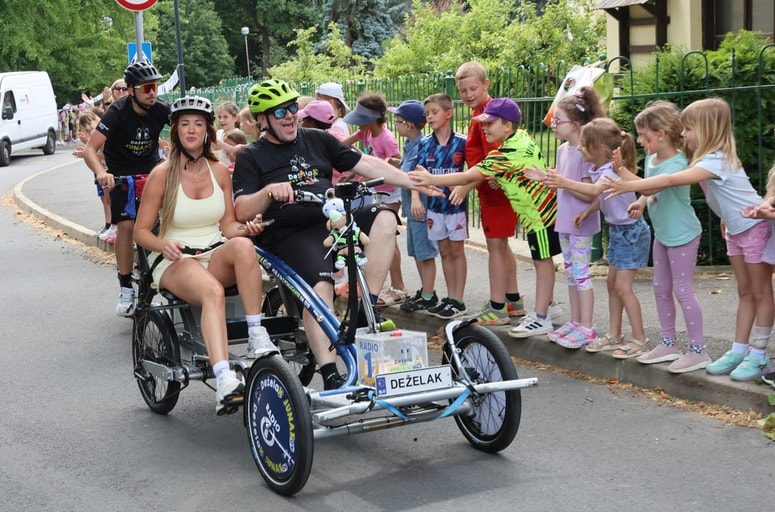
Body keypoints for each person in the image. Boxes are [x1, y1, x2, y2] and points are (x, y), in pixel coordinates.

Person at [232, 79, 440, 390]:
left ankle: (364, 307)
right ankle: (330, 373)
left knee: (385, 215)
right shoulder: (251, 156)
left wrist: (412, 182)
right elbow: (241, 209)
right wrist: (268, 192)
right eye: (280, 112)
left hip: (331, 218)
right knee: (321, 292)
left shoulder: (317, 139)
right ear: (262, 119)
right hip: (290, 233)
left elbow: (366, 162)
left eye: (292, 108)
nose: (290, 116)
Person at [607, 97, 773, 381]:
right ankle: (739, 350)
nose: (683, 134)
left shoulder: (717, 159)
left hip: (754, 227)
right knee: (745, 292)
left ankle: (758, 354)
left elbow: (670, 181)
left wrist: (626, 184)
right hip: (736, 230)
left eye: (689, 129)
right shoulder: (705, 159)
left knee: (761, 293)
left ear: (707, 130)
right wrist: (725, 217)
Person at [134, 95, 276, 415]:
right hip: (176, 259)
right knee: (213, 291)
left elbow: (228, 227)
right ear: (176, 131)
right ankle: (224, 378)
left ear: (208, 131)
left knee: (244, 246)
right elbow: (141, 232)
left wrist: (247, 228)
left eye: (198, 124)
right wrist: (162, 245)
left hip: (213, 252)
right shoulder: (162, 174)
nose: (191, 129)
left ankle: (256, 334)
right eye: (185, 124)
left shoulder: (220, 171)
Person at [410, 98, 561, 337]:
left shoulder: (505, 153)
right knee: (542, 261)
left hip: (538, 217)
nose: (484, 127)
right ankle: (546, 308)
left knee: (542, 263)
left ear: (507, 126)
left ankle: (542, 316)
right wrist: (501, 177)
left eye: (490, 123)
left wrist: (431, 179)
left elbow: (467, 176)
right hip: (542, 214)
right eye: (483, 123)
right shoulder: (520, 137)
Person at [538, 118, 651, 356]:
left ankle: (640, 339)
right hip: (618, 232)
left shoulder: (609, 171)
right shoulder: (600, 169)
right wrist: (588, 211)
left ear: (598, 148)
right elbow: (601, 198)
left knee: (623, 288)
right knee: (612, 285)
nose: (579, 148)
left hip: (630, 233)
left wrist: (563, 182)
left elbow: (594, 190)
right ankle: (615, 334)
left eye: (584, 145)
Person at [615, 101, 710, 373]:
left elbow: (654, 185)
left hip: (683, 235)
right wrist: (641, 202)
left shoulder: (678, 164)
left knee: (683, 290)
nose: (639, 141)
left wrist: (622, 174)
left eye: (643, 135)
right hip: (664, 234)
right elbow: (649, 189)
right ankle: (669, 343)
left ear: (661, 134)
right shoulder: (652, 159)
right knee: (660, 288)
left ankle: (698, 350)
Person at [83, 61, 171, 317]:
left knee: (167, 220)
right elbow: (90, 149)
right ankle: (125, 287)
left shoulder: (161, 109)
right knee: (127, 225)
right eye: (146, 88)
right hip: (121, 175)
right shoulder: (117, 112)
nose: (152, 93)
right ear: (131, 91)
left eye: (154, 87)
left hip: (151, 170)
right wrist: (102, 173)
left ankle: (167, 271)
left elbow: (184, 132)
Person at [455, 62, 527, 326]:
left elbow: (496, 154)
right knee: (501, 246)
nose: (468, 94)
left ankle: (498, 307)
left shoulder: (491, 114)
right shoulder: (480, 113)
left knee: (496, 247)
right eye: (463, 90)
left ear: (486, 84)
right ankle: (513, 300)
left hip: (497, 192)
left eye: (473, 88)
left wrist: (470, 183)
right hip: (489, 189)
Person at [538, 87, 605, 348]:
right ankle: (576, 322)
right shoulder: (563, 150)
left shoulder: (586, 153)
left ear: (575, 125)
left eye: (558, 120)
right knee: (570, 273)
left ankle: (586, 326)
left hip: (581, 224)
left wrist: (563, 182)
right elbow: (562, 184)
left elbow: (590, 194)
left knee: (581, 273)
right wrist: (545, 178)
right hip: (565, 222)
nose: (553, 125)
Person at [342, 91, 408, 307]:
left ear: (372, 119)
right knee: (377, 237)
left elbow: (396, 163)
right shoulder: (366, 133)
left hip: (391, 191)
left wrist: (375, 172)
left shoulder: (386, 138)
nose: (357, 125)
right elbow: (343, 146)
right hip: (377, 190)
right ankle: (385, 285)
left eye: (361, 121)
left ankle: (399, 287)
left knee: (388, 237)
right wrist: (352, 174)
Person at [411, 93, 468, 319]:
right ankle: (450, 298)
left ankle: (458, 299)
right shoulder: (425, 143)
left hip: (456, 207)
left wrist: (464, 187)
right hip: (434, 207)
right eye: (427, 114)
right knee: (444, 251)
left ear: (449, 113)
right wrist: (416, 198)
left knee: (457, 250)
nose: (430, 117)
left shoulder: (462, 142)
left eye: (434, 112)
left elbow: (475, 171)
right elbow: (417, 173)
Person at [388, 100, 440, 313]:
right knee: (418, 252)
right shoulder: (410, 146)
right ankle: (426, 291)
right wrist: (395, 163)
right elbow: (408, 168)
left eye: (398, 121)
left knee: (425, 253)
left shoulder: (421, 146)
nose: (395, 124)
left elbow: (418, 173)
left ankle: (428, 295)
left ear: (409, 125)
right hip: (412, 210)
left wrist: (417, 198)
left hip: (420, 209)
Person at [73, 107, 115, 243]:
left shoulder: (106, 133)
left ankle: (113, 226)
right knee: (106, 199)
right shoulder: (94, 136)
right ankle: (110, 225)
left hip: (109, 169)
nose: (89, 127)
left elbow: (107, 154)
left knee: (112, 199)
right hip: (101, 170)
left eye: (90, 122)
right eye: (85, 126)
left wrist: (88, 152)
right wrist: (86, 149)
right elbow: (95, 151)